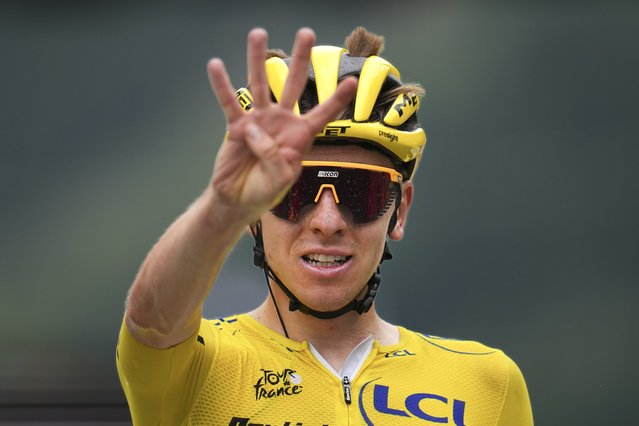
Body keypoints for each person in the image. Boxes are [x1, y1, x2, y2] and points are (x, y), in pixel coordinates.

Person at [116, 26, 533, 425]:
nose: (328, 222)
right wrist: (221, 207)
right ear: (252, 212)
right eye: (294, 192)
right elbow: (150, 321)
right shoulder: (195, 368)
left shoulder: (487, 383)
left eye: (360, 193)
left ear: (399, 210)